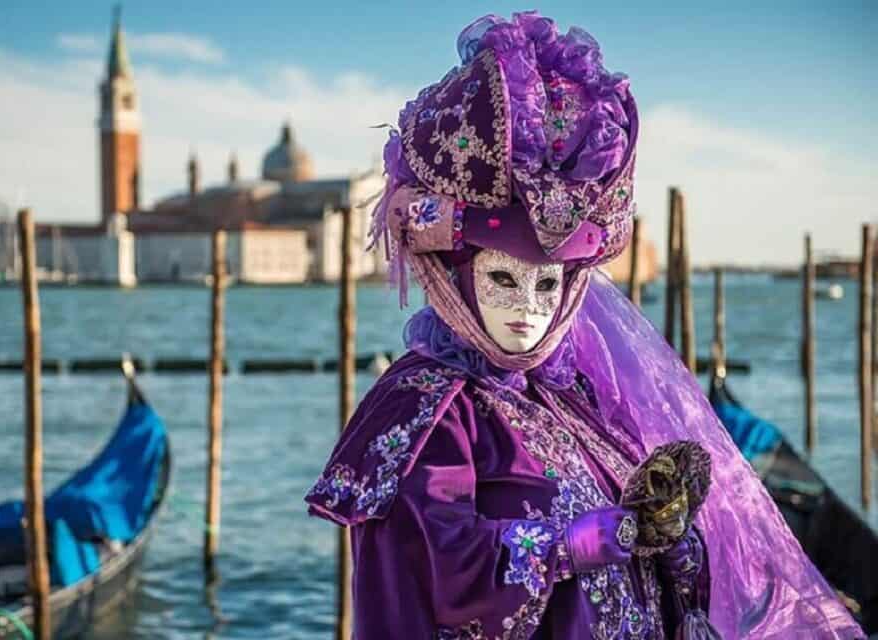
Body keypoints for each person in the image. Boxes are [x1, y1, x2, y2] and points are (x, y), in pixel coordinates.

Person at [306, 10, 863, 639]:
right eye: (503, 279)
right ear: (455, 278)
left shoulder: (571, 394)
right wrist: (577, 543)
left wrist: (664, 536)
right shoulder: (426, 409)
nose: (529, 308)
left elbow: (638, 558)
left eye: (548, 285)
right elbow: (438, 570)